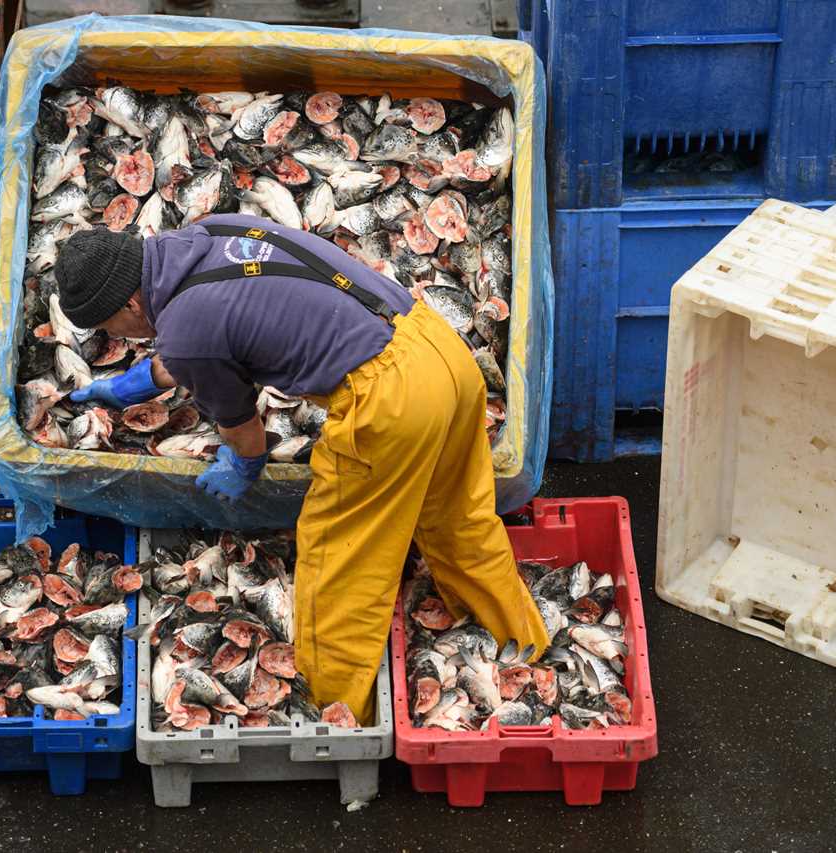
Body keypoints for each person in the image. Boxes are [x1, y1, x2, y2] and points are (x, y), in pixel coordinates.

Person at [53, 213, 548, 724]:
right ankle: (523, 645)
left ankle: (330, 711)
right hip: (439, 352)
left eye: (112, 327)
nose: (124, 335)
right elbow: (219, 326)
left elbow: (243, 433)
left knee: (342, 558)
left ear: (130, 303)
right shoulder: (210, 232)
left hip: (391, 400)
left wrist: (241, 464)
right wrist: (142, 381)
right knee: (460, 521)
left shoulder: (182, 332)